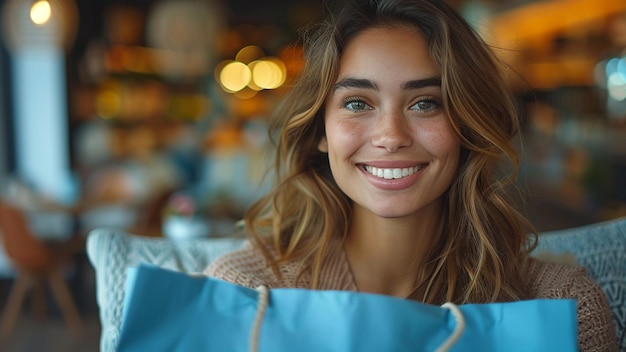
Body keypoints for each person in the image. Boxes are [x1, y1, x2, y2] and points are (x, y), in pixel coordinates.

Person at [205, 0, 617, 350]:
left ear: (468, 128)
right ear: (320, 132)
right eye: (357, 104)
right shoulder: (244, 292)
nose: (390, 137)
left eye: (424, 103)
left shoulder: (561, 304)